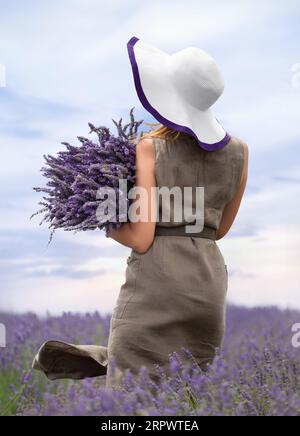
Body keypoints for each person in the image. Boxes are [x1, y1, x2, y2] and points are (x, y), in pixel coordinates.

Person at [32, 36, 248, 389]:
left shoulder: (149, 149)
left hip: (156, 285)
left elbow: (143, 237)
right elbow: (219, 228)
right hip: (208, 286)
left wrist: (108, 219)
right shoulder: (242, 152)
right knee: (186, 395)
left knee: (128, 393)